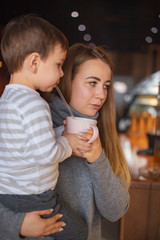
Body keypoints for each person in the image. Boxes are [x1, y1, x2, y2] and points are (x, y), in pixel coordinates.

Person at [0, 42, 130, 240]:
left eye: (106, 86)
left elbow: (115, 212)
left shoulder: (101, 135)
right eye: (92, 83)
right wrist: (17, 225)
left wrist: (98, 158)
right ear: (64, 80)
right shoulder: (27, 124)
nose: (102, 94)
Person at [0, 15, 94, 240]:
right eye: (58, 65)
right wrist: (69, 143)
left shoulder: (6, 100)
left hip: (7, 195)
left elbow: (29, 145)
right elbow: (46, 153)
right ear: (34, 62)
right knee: (80, 232)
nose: (62, 74)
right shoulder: (34, 103)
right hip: (34, 196)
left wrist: (62, 133)